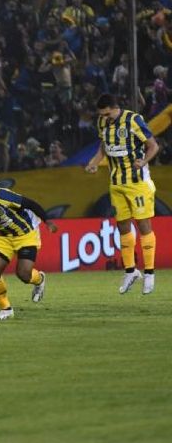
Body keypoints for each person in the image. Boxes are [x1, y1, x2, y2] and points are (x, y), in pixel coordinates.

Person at [85, 94, 159, 295]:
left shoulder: (133, 120)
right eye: (102, 115)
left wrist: (143, 162)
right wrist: (93, 162)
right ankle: (130, 271)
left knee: (143, 226)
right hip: (116, 182)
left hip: (138, 183)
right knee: (123, 227)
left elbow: (153, 146)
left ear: (114, 107)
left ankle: (150, 274)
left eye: (107, 113)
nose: (105, 117)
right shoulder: (102, 122)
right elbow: (104, 148)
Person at [0, 175, 58, 320]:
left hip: (26, 233)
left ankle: (39, 279)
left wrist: (48, 221)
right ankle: (5, 308)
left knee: (24, 274)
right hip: (3, 237)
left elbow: (30, 203)